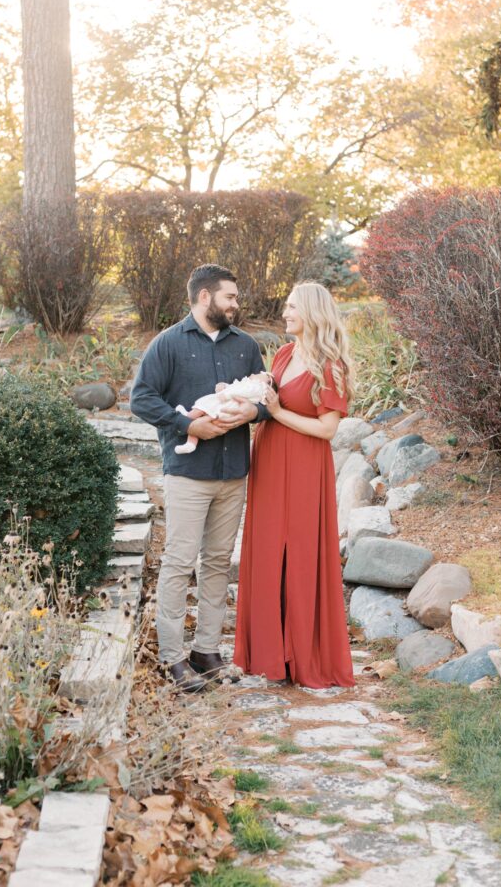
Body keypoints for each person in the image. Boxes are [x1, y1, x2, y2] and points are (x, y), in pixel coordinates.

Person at [130, 264, 269, 692]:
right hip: (188, 473)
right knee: (178, 562)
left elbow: (266, 400)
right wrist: (187, 426)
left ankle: (206, 652)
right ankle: (172, 659)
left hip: (233, 472)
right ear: (205, 297)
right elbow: (141, 398)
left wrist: (254, 411)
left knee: (216, 564)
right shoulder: (168, 344)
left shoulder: (245, 346)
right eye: (230, 297)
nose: (236, 304)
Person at [234, 282, 355, 688]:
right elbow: (268, 399)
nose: (285, 313)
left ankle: (305, 655)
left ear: (312, 312)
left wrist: (276, 412)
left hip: (305, 466)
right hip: (269, 461)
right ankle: (268, 657)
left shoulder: (330, 365)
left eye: (291, 308)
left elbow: (326, 430)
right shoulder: (285, 353)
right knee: (268, 553)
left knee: (301, 555)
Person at [174, 373, 272, 454]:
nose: (254, 373)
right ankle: (190, 443)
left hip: (226, 407)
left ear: (263, 383)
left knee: (202, 408)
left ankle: (187, 418)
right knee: (198, 423)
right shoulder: (249, 385)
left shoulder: (255, 387)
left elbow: (241, 391)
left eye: (259, 374)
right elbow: (236, 388)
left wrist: (226, 394)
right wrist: (225, 386)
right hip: (226, 407)